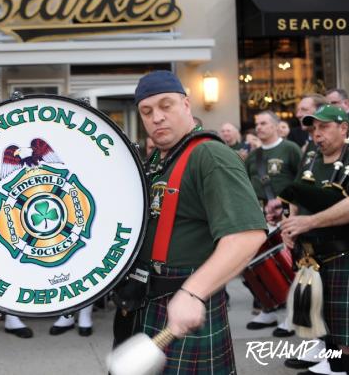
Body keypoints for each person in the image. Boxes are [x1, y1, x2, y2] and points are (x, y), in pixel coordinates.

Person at [113, 70, 266, 373]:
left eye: (165, 105)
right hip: (146, 301)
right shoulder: (158, 160)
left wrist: (193, 292)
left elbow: (247, 236)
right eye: (147, 111)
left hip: (183, 298)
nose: (156, 117)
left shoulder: (210, 155)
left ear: (186, 104)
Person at [267, 105, 349, 374]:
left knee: (343, 322)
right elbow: (299, 191)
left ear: (344, 128)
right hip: (312, 253)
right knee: (321, 315)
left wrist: (309, 222)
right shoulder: (311, 156)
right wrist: (291, 223)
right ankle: (330, 358)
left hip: (342, 252)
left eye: (324, 127)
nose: (317, 134)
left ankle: (341, 365)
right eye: (313, 129)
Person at [243, 111, 301, 331]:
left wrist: (286, 203)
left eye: (264, 123)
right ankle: (267, 310)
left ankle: (292, 315)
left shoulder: (290, 149)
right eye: (257, 123)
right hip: (259, 218)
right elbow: (247, 185)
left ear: (277, 126)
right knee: (259, 269)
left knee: (288, 267)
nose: (259, 127)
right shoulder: (253, 156)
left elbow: (301, 180)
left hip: (286, 215)